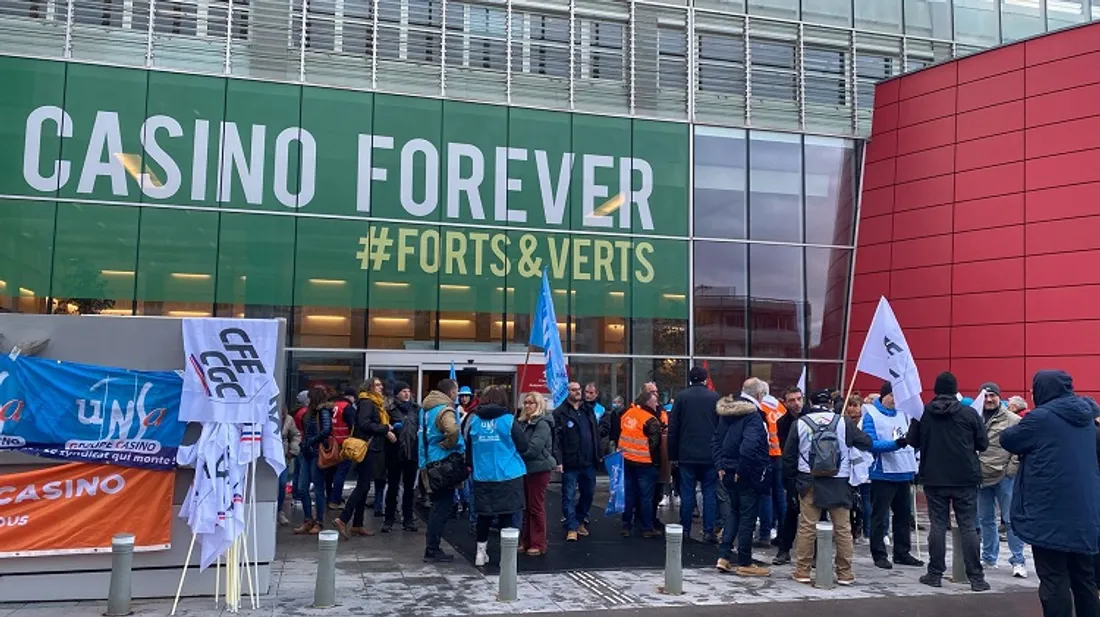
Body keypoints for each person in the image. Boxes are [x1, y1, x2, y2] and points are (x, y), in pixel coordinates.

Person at [1001, 370, 1100, 617]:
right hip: (1085, 514)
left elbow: (1009, 439)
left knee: (1054, 580)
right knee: (1084, 578)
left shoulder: (1042, 417)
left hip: (1050, 514)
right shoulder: (1086, 417)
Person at [908, 372, 990, 592]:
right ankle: (976, 578)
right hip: (965, 477)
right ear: (955, 390)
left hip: (935, 477)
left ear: (936, 389)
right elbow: (983, 444)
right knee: (968, 526)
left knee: (937, 526)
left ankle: (935, 573)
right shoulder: (969, 413)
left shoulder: (924, 413)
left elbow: (912, 441)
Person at [783, 390, 873, 586]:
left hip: (809, 481)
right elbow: (866, 442)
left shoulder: (800, 423)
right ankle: (845, 573)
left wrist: (792, 482)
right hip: (839, 481)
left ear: (810, 401)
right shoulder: (843, 422)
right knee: (843, 528)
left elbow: (788, 458)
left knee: (807, 527)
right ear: (831, 403)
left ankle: (803, 571)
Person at [464, 385, 529, 567]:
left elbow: (469, 453)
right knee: (507, 515)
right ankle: (507, 557)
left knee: (484, 516)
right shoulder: (508, 420)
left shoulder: (475, 421)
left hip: (483, 476)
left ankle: (480, 553)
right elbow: (523, 446)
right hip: (509, 474)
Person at [712, 377, 771, 577]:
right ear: (759, 395)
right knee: (747, 516)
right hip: (746, 473)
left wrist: (721, 465)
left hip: (728, 471)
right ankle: (744, 561)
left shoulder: (727, 412)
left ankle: (724, 556)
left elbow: (715, 441)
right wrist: (742, 470)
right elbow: (750, 445)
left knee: (734, 514)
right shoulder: (753, 415)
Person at [863, 382, 923, 570]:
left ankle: (902, 552)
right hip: (883, 473)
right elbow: (870, 443)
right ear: (884, 396)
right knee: (880, 516)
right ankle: (879, 553)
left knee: (904, 515)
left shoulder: (904, 413)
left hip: (904, 471)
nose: (895, 400)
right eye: (892, 396)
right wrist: (897, 444)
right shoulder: (871, 414)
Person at [975, 381, 1026, 577]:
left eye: (992, 395)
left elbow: (1020, 446)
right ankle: (988, 558)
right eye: (985, 395)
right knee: (986, 519)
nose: (989, 399)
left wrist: (1011, 469)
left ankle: (1018, 560)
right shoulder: (974, 416)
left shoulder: (1013, 420)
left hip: (1005, 476)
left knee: (1011, 519)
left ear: (999, 396)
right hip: (981, 476)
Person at [334, 378, 392, 539]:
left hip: (372, 448)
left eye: (381, 384)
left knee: (364, 486)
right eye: (378, 385)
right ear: (370, 387)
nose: (381, 387)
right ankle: (343, 518)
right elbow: (364, 424)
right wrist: (385, 428)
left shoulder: (375, 403)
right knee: (363, 485)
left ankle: (357, 524)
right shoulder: (367, 402)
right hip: (367, 449)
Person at [669, 366, 720, 542]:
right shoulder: (714, 397)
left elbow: (673, 428)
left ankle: (685, 529)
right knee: (709, 493)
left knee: (687, 493)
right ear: (705, 379)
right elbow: (720, 427)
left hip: (687, 453)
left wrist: (672, 454)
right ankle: (708, 531)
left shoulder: (682, 397)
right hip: (709, 454)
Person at [419, 378, 464, 563]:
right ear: (451, 393)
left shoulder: (427, 410)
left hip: (430, 460)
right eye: (457, 391)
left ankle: (432, 546)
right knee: (441, 508)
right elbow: (453, 431)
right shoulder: (445, 410)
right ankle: (433, 549)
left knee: (437, 506)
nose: (458, 395)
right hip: (444, 464)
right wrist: (448, 444)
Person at [554, 381, 600, 542]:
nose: (577, 392)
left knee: (588, 493)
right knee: (568, 495)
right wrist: (558, 460)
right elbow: (556, 439)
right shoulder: (560, 413)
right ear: (567, 392)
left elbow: (594, 432)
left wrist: (597, 454)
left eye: (578, 389)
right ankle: (571, 526)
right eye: (573, 390)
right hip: (570, 461)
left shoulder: (587, 410)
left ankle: (580, 519)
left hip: (588, 461)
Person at [613, 390, 664, 538]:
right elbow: (655, 444)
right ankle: (647, 528)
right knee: (646, 496)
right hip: (645, 463)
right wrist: (657, 464)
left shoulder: (627, 414)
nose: (657, 404)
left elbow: (620, 433)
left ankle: (626, 525)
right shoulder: (650, 420)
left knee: (629, 494)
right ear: (648, 402)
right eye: (655, 401)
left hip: (627, 459)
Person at [518, 392, 555, 555]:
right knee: (526, 506)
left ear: (538, 404)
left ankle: (538, 543)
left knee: (535, 506)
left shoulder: (542, 424)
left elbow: (534, 449)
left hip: (539, 468)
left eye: (531, 403)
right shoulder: (523, 423)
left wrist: (517, 454)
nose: (527, 405)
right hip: (526, 468)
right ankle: (526, 541)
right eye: (525, 402)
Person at [295, 386, 333, 534]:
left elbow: (326, 430)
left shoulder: (320, 411)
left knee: (313, 488)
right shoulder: (316, 412)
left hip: (314, 452)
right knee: (305, 487)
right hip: (310, 451)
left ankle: (316, 520)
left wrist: (309, 442)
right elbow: (325, 430)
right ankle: (311, 519)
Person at [383, 381, 420, 533]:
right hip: (394, 453)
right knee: (393, 487)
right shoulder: (390, 410)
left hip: (412, 453)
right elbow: (384, 427)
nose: (406, 394)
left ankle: (408, 519)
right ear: (397, 393)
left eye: (408, 390)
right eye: (403, 391)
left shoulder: (416, 409)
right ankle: (389, 519)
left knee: (410, 489)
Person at [773, 386, 804, 566]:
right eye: (792, 400)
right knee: (791, 512)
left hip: (813, 471)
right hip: (793, 471)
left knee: (817, 514)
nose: (796, 403)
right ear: (785, 403)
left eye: (799, 399)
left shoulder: (810, 416)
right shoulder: (783, 422)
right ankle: (784, 550)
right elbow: (787, 451)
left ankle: (815, 552)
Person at [756, 390, 787, 547]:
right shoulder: (780, 406)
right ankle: (783, 532)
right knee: (780, 495)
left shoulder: (759, 407)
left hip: (766, 455)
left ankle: (765, 534)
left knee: (765, 496)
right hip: (780, 454)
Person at [844, 394, 872, 541]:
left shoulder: (865, 423)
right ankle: (852, 529)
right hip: (847, 467)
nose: (852, 408)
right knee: (850, 500)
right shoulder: (843, 422)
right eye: (850, 405)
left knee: (865, 499)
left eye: (855, 405)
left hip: (862, 464)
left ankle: (866, 531)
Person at [326, 388, 355, 511]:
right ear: (351, 397)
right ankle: (335, 500)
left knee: (330, 474)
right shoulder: (348, 408)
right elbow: (353, 426)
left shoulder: (332, 406)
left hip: (330, 444)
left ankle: (329, 497)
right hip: (343, 445)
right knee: (341, 473)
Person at [278, 405, 302, 526]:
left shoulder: (289, 420)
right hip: (267, 457)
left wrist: (293, 450)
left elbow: (296, 435)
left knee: (282, 484)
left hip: (283, 457)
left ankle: (279, 511)